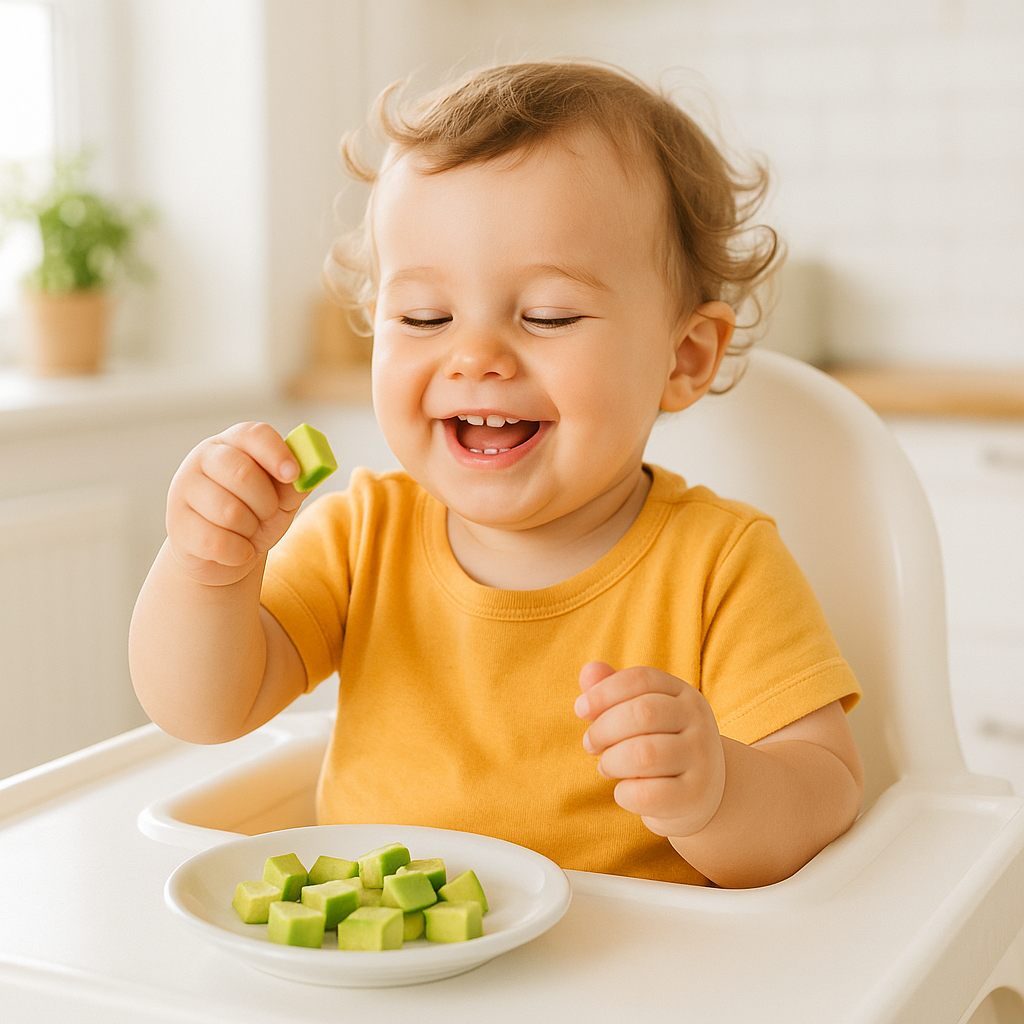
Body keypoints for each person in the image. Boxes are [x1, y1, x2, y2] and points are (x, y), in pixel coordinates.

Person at [129, 60, 863, 889]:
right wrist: (205, 569)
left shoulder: (721, 566)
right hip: (388, 975)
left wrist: (719, 793)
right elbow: (201, 707)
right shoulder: (362, 535)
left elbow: (826, 792)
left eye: (547, 314)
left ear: (683, 357)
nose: (474, 356)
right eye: (423, 316)